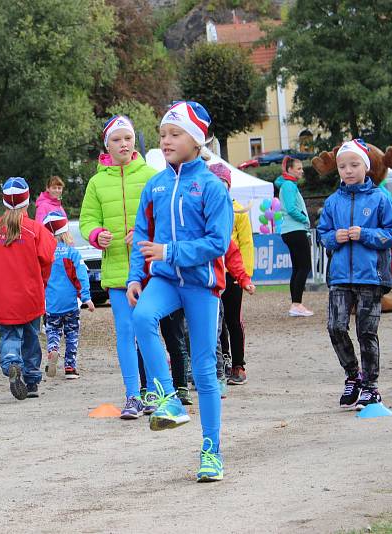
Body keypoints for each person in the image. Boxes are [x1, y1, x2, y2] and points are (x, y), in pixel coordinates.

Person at [127, 101, 232, 482]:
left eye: (175, 134)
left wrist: (170, 251)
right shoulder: (154, 185)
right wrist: (135, 277)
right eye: (162, 135)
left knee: (205, 370)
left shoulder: (211, 186)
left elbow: (218, 242)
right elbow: (142, 233)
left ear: (196, 140)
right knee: (141, 317)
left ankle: (211, 452)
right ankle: (169, 398)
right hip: (166, 280)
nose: (166, 140)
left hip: (203, 285)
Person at [79, 115, 162, 419]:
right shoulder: (97, 182)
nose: (123, 144)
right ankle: (132, 396)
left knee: (148, 331)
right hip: (116, 272)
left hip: (150, 273)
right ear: (107, 146)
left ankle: (156, 392)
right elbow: (88, 219)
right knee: (126, 333)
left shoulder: (152, 175)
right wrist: (95, 235)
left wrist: (144, 234)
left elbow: (162, 218)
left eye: (127, 138)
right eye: (117, 139)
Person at [316, 139, 392, 410]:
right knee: (335, 326)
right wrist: (333, 238)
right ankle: (353, 376)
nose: (348, 170)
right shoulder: (332, 202)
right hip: (340, 277)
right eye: (342, 166)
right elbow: (322, 233)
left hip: (371, 277)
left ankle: (371, 387)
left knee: (367, 332)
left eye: (354, 165)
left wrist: (366, 235)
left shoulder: (379, 198)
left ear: (366, 167)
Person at [0, 177, 55, 399]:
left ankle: (11, 360)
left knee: (10, 335)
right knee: (31, 338)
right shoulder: (35, 229)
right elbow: (47, 257)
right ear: (27, 201)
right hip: (31, 295)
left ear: (4, 201)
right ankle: (31, 382)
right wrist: (43, 280)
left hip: (4, 297)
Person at [209, 163, 255, 385]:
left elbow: (245, 242)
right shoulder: (204, 209)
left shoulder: (237, 210)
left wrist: (244, 275)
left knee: (233, 320)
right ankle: (223, 360)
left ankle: (239, 364)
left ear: (228, 185)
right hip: (211, 272)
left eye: (223, 183)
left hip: (233, 273)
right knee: (215, 321)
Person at [42, 210, 94, 379]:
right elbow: (81, 276)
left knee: (53, 331)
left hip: (51, 304)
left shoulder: (44, 256)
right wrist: (86, 297)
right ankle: (70, 368)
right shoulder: (72, 254)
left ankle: (53, 350)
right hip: (71, 304)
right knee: (72, 334)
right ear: (65, 232)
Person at [275, 156, 314, 317]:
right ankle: (297, 304)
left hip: (289, 230)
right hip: (295, 229)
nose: (302, 171)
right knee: (304, 267)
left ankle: (295, 304)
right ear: (289, 170)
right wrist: (305, 219)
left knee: (298, 268)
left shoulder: (287, 185)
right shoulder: (290, 185)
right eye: (299, 168)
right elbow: (291, 209)